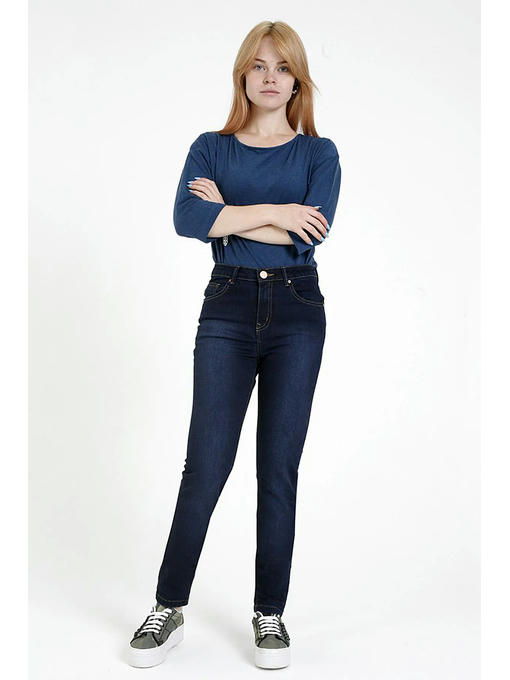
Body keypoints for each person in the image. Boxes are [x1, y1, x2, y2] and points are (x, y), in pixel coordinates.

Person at [127, 20, 341, 670]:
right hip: (227, 304)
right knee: (206, 464)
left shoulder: (319, 154)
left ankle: (269, 612)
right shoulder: (210, 148)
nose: (270, 77)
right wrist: (277, 212)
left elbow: (313, 232)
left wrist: (230, 216)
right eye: (259, 66)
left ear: (297, 82)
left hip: (298, 313)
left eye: (283, 67)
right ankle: (168, 606)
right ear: (243, 76)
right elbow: (186, 219)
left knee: (278, 469)